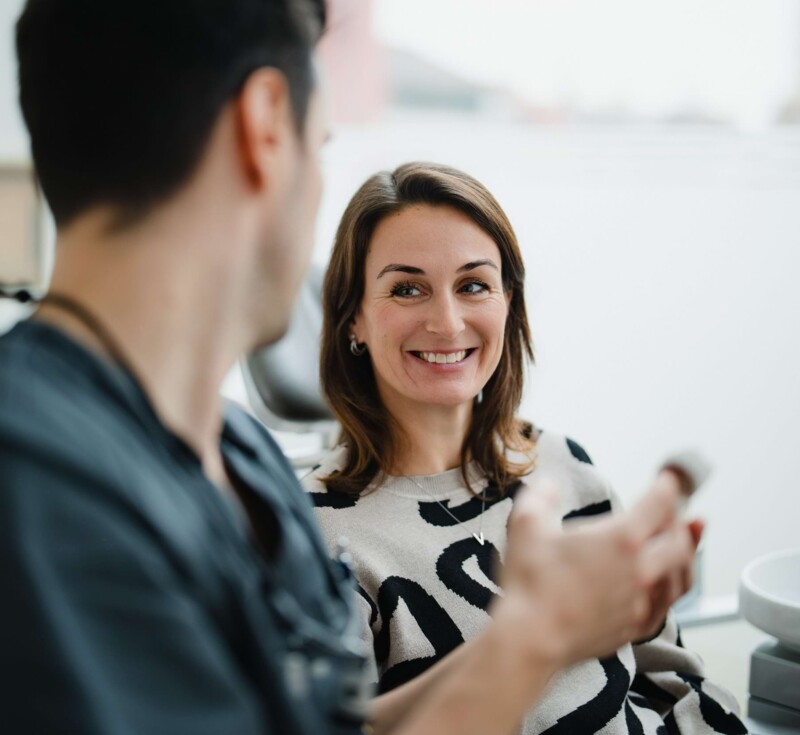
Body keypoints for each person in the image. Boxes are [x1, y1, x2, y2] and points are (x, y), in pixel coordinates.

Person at [0, 2, 707, 734]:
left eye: (474, 285)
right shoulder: (39, 484)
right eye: (322, 146)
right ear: (266, 123)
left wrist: (541, 625)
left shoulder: (242, 459)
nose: (446, 319)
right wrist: (533, 643)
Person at [303, 162, 747, 734]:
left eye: (473, 285)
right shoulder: (317, 534)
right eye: (407, 288)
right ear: (353, 320)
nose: (447, 320)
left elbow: (673, 678)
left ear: (508, 303)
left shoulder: (564, 465)